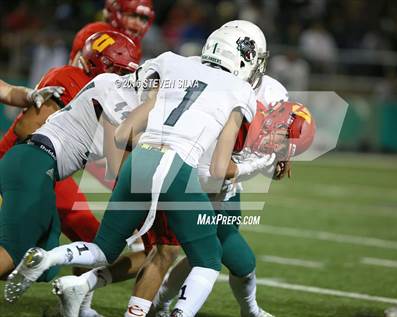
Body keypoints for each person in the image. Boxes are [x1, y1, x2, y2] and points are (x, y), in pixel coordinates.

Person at [6, 25, 260, 317]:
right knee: (207, 260)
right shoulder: (240, 90)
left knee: (104, 248)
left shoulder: (171, 63)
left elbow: (122, 134)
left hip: (140, 159)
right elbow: (218, 168)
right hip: (175, 166)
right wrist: (253, 164)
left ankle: (49, 258)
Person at [0, 31, 140, 314]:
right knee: (11, 254)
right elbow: (26, 129)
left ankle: (74, 306)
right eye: (119, 70)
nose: (124, 79)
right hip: (32, 165)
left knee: (45, 260)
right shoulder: (75, 79)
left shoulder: (102, 92)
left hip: (41, 170)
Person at [69, 0, 155, 65]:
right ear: (115, 12)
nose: (137, 23)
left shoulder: (135, 44)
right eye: (132, 16)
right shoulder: (96, 31)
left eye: (143, 19)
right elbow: (77, 70)